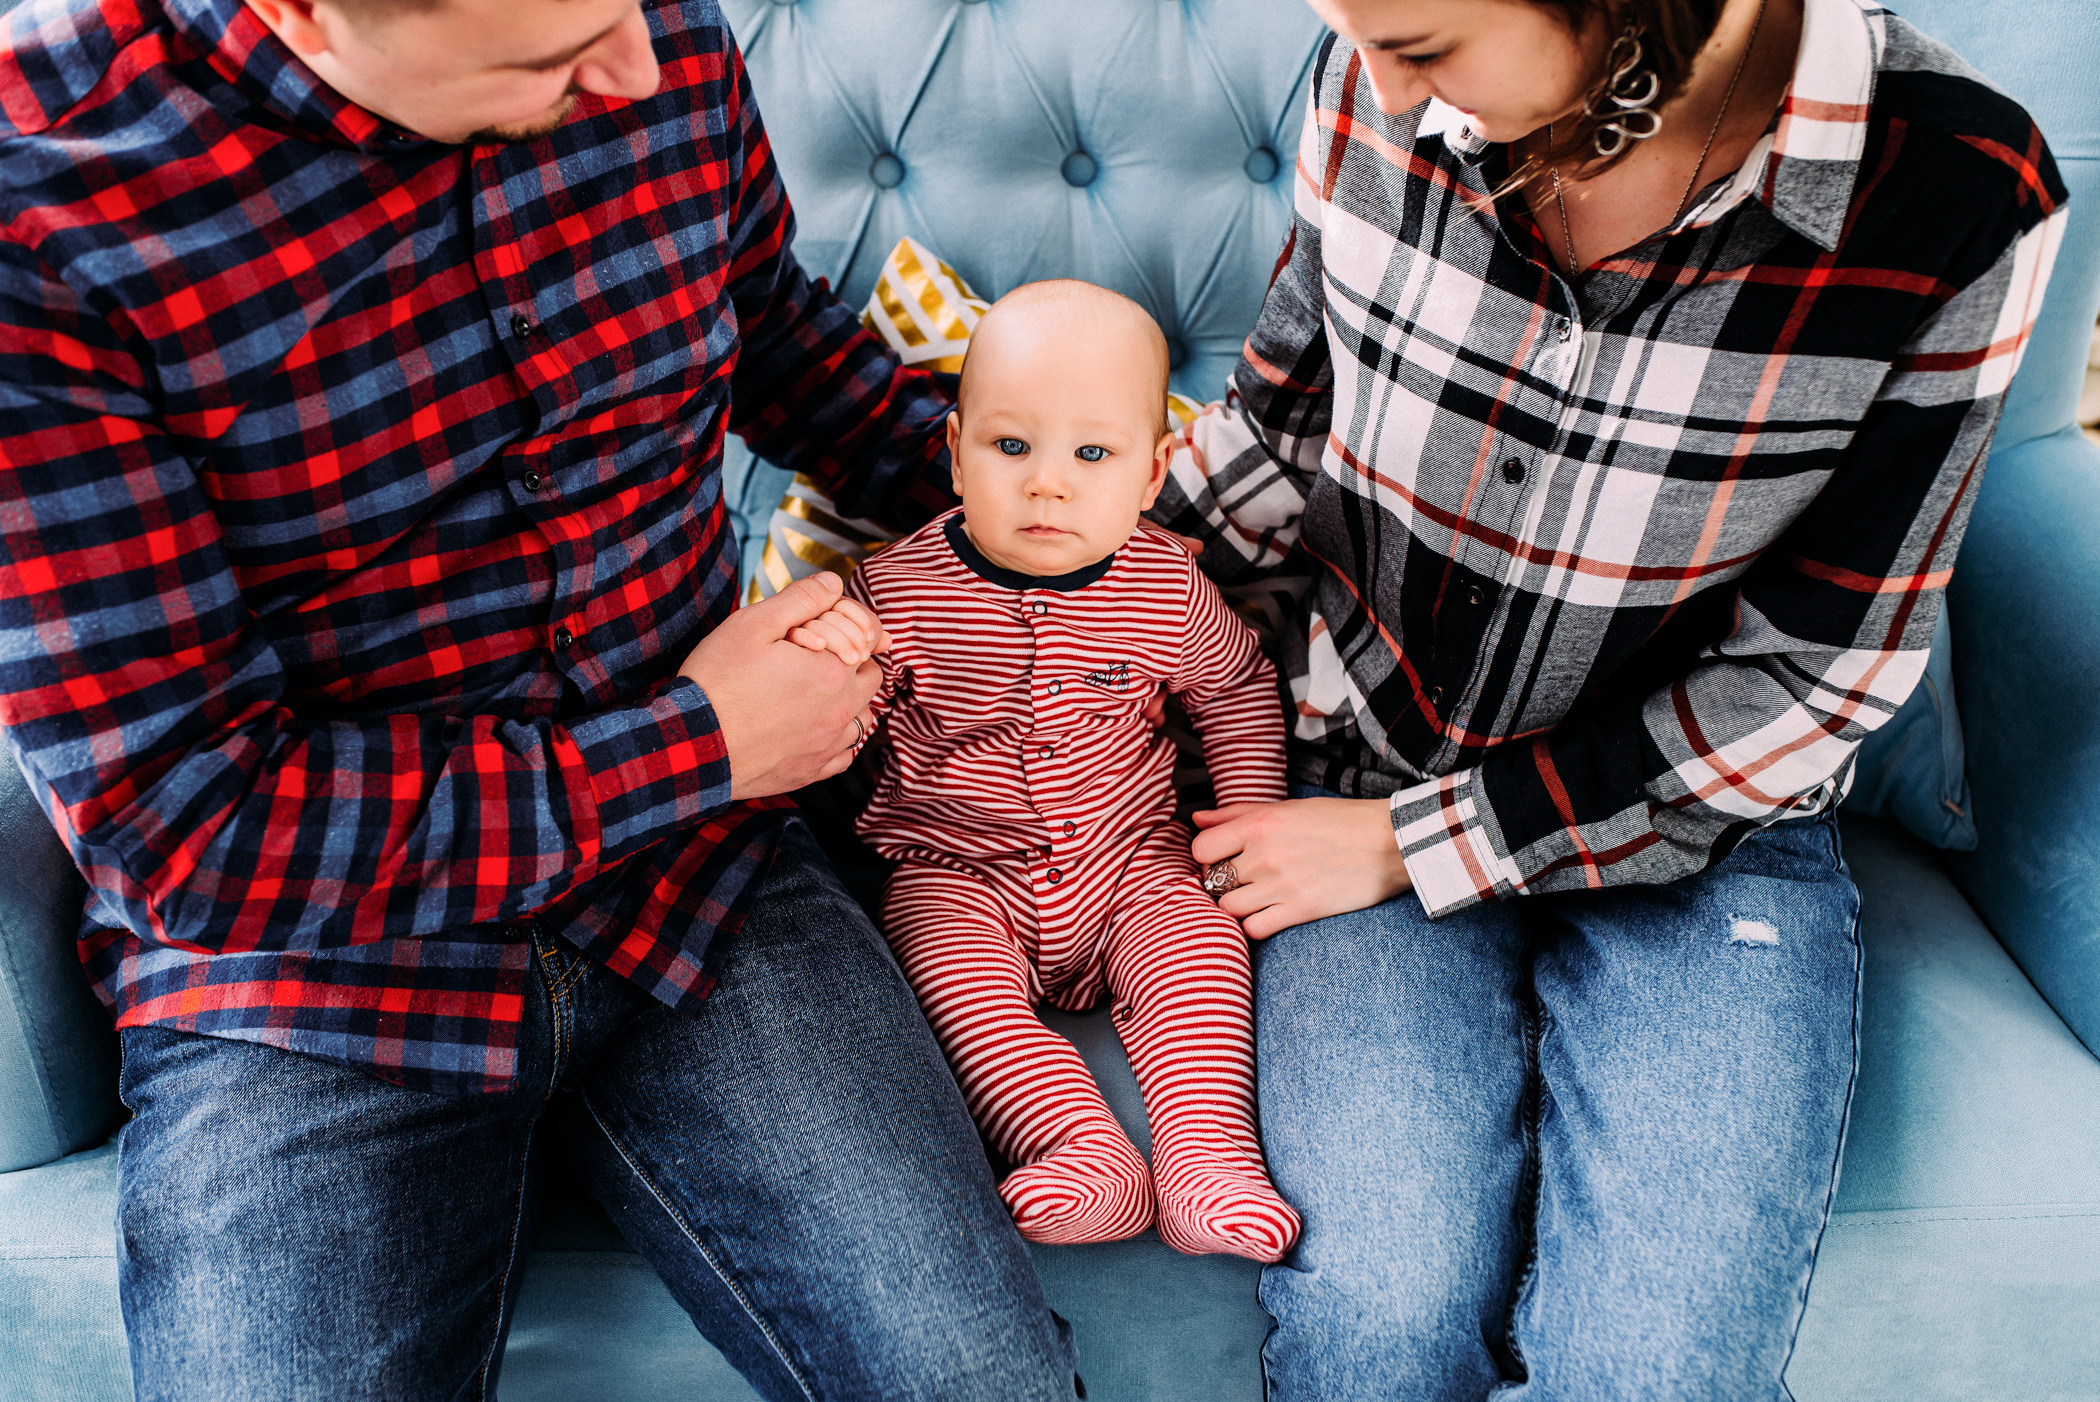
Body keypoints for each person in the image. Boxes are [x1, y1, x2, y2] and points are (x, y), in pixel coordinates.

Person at [0, 0, 1080, 1396]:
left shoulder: (639, 27)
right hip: (319, 986)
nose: (646, 63)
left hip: (701, 884)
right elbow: (185, 831)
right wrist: (697, 747)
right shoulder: (46, 207)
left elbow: (778, 342)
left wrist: (1068, 537)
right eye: (548, 59)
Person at [1147, 0, 2067, 1395]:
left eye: (1424, 45)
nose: (1375, 90)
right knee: (1377, 1326)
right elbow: (1276, 434)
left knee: (1652, 1368)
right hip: (1366, 764)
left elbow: (1819, 673)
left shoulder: (1957, 189)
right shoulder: (1375, 84)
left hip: (1706, 832)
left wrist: (1420, 843)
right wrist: (1001, 618)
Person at [800, 281, 1300, 1263]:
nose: (1048, 485)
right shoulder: (895, 591)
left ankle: (1207, 1155)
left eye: (1093, 454)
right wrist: (833, 652)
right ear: (953, 452)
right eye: (1011, 446)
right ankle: (1080, 1147)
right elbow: (827, 730)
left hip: (1131, 861)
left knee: (1197, 949)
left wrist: (1251, 820)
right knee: (949, 981)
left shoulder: (1166, 584)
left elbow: (1237, 687)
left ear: (1154, 470)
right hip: (958, 870)